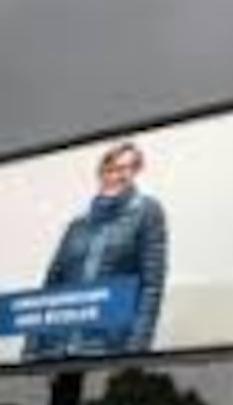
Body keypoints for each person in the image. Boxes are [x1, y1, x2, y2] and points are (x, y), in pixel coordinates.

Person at [22, 142, 167, 360]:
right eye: (112, 168)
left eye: (127, 168)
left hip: (107, 350)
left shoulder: (147, 212)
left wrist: (136, 351)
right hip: (57, 352)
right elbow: (50, 288)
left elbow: (151, 287)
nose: (118, 175)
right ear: (101, 172)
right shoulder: (77, 226)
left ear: (136, 171)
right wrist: (31, 349)